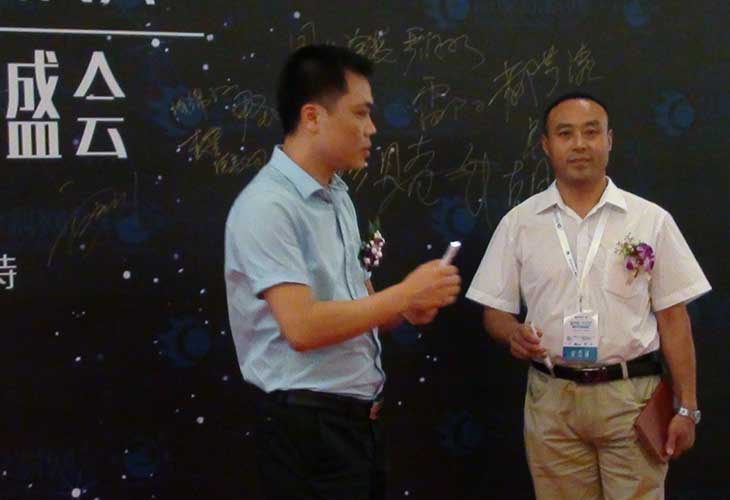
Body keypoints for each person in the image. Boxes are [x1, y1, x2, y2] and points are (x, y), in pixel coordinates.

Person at [224, 44, 461, 500]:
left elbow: (359, 305)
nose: (372, 129)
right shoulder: (268, 206)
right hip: (307, 431)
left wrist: (407, 307)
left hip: (356, 427)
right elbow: (302, 327)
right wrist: (403, 294)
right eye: (360, 113)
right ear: (313, 117)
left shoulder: (337, 196)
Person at [466, 92, 711, 499]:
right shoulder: (519, 223)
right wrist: (512, 334)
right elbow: (495, 313)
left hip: (632, 397)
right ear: (547, 145)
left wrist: (687, 407)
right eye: (566, 134)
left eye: (591, 132)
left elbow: (674, 319)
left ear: (609, 140)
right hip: (552, 397)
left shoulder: (650, 220)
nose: (579, 144)